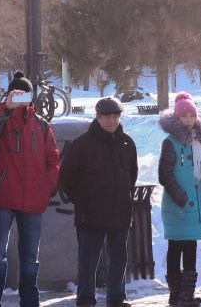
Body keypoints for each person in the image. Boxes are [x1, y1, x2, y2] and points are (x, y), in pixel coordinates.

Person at [0, 71, 60, 307]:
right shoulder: (1, 120)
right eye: (16, 93)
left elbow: (52, 159)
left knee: (30, 258)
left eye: (24, 93)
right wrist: (6, 106)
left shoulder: (41, 125)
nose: (21, 97)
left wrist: (47, 186)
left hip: (33, 199)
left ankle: (30, 301)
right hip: (3, 197)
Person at [59, 97, 138, 307]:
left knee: (119, 260)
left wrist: (123, 196)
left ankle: (117, 299)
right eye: (107, 117)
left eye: (115, 117)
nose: (112, 121)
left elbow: (132, 174)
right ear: (98, 117)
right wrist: (82, 200)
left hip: (120, 212)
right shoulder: (81, 144)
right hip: (90, 214)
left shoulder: (127, 143)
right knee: (88, 262)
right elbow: (67, 177)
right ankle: (86, 300)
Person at [159, 92, 201, 307]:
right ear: (176, 118)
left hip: (195, 206)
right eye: (184, 116)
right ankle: (175, 294)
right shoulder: (170, 142)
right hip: (178, 205)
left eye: (192, 115)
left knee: (190, 249)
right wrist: (181, 198)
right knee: (175, 248)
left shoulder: (198, 142)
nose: (189, 120)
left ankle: (186, 295)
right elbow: (165, 174)